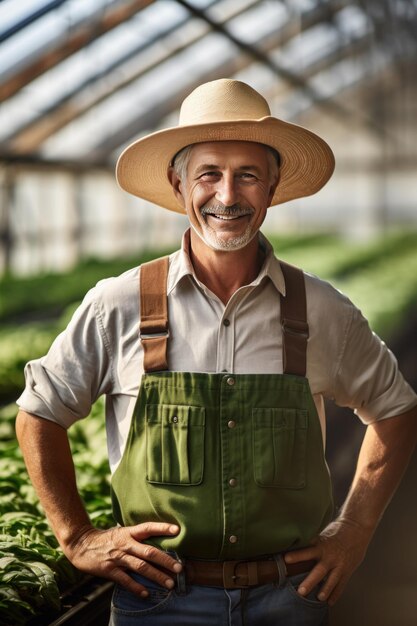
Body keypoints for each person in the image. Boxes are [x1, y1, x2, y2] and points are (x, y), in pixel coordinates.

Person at [16, 79, 417, 626]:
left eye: (248, 175)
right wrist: (78, 536)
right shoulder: (119, 304)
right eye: (209, 173)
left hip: (290, 600)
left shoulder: (322, 310)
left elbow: (395, 409)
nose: (228, 196)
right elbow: (39, 411)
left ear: (273, 187)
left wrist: (354, 530)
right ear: (177, 182)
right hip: (156, 601)